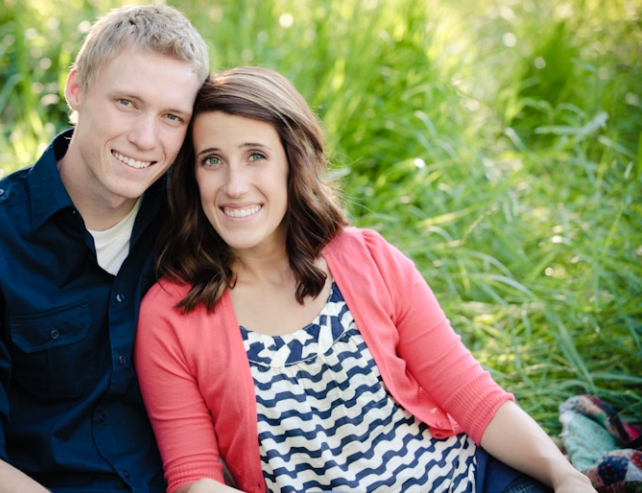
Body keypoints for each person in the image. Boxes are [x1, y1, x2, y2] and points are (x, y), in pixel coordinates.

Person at [134, 66, 596, 493]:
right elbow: (194, 479)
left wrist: (563, 473)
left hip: (466, 481)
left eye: (256, 155)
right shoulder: (172, 316)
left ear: (292, 163)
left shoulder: (368, 259)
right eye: (212, 160)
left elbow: (471, 394)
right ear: (191, 177)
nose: (234, 185)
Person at [0, 3, 209, 492]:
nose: (144, 138)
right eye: (126, 103)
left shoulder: (195, 218)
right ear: (77, 89)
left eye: (172, 116)